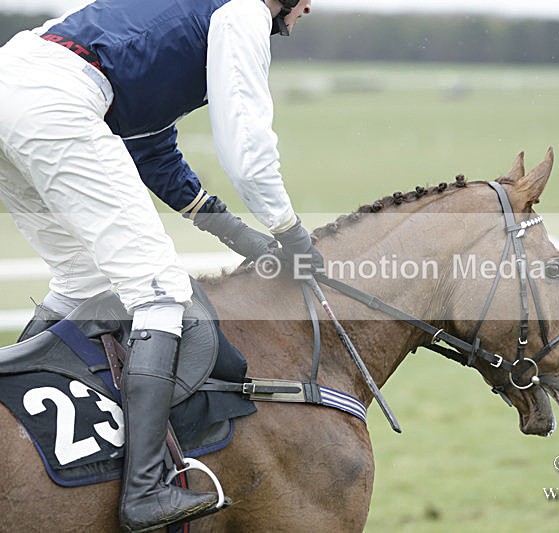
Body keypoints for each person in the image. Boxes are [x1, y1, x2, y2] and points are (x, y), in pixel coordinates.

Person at [0, 0, 322, 530]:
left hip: (18, 87)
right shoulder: (241, 13)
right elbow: (246, 141)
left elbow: (153, 152)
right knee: (162, 294)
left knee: (82, 280)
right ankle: (145, 490)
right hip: (57, 100)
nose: (310, 6)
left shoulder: (181, 21)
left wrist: (242, 238)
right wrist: (290, 231)